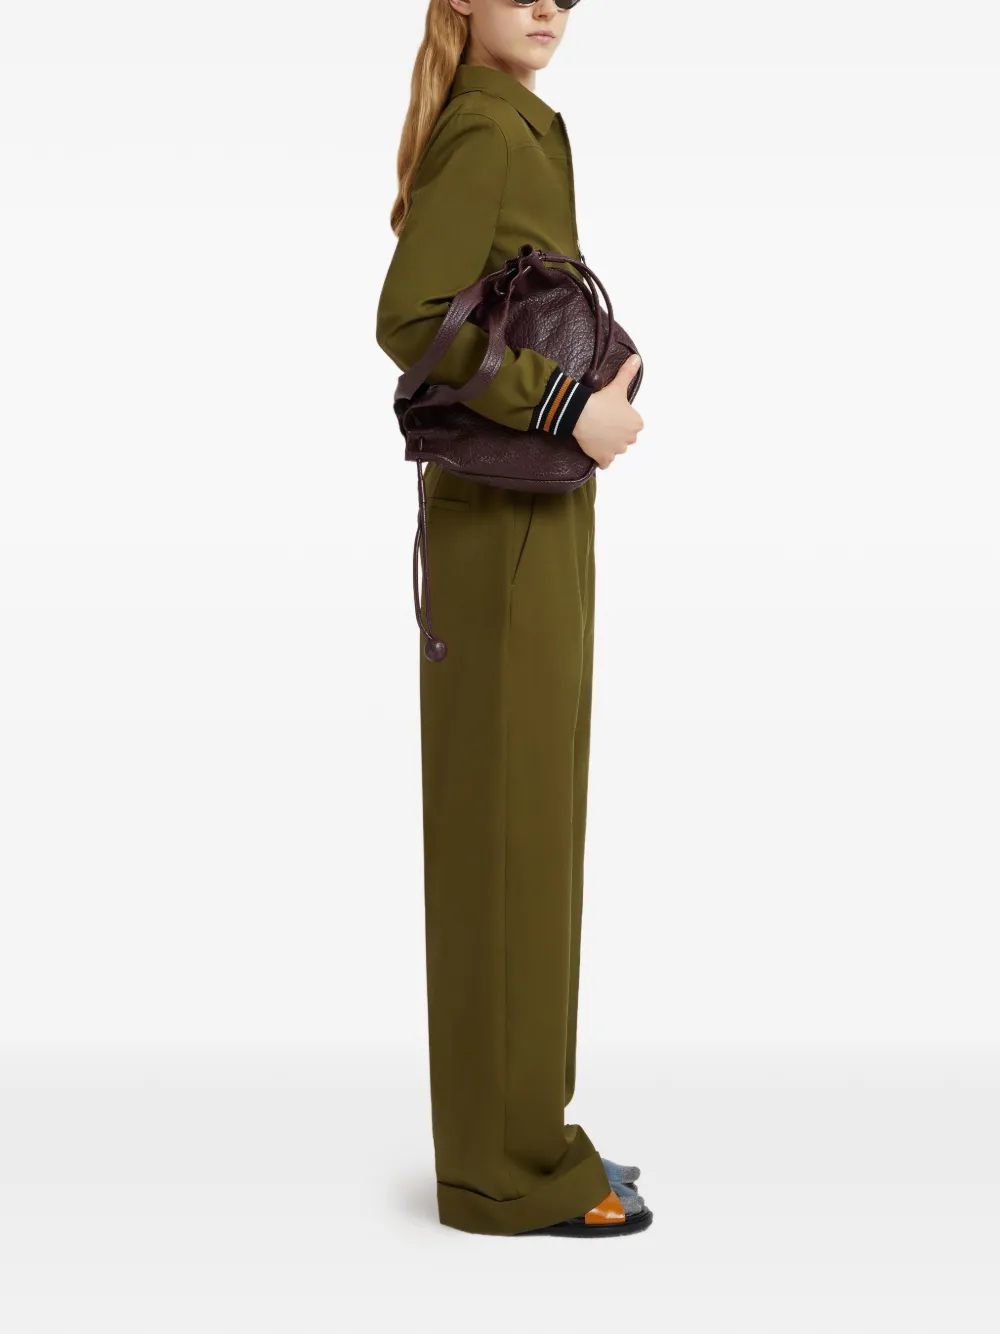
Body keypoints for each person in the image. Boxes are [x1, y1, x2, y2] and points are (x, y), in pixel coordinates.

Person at [375, 0, 648, 1237]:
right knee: (505, 834)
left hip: (536, 513)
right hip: (501, 525)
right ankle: (502, 1170)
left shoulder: (523, 120)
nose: (548, 4)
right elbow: (410, 318)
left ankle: (530, 1132)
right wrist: (563, 408)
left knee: (534, 828)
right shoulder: (486, 127)